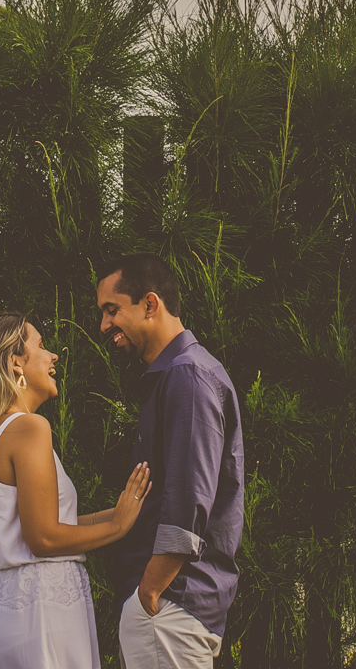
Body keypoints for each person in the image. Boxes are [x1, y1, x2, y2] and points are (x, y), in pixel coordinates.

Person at [0, 311, 152, 668]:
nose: (53, 356)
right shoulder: (31, 428)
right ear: (16, 362)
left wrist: (127, 510)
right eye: (41, 346)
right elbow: (43, 538)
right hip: (41, 611)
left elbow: (54, 522)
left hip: (3, 605)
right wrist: (117, 528)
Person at [96, 254, 244, 669]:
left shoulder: (187, 376)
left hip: (169, 605)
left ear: (150, 304)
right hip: (171, 606)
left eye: (112, 309)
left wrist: (150, 591)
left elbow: (188, 498)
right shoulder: (184, 374)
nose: (104, 325)